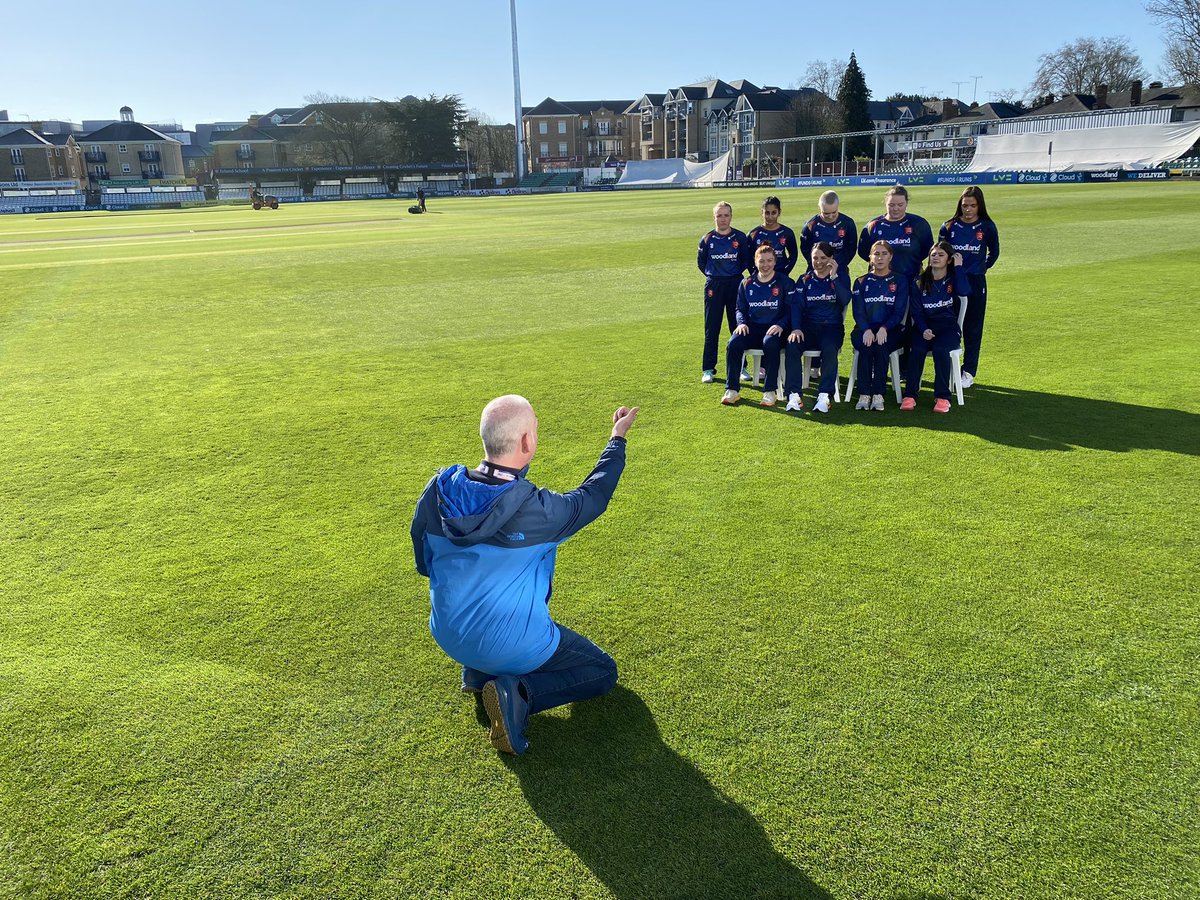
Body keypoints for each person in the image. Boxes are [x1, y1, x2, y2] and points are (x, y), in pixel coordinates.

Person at [411, 395, 639, 755]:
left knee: (483, 600)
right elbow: (593, 496)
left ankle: (477, 673)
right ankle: (519, 695)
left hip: (448, 633)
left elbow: (425, 563)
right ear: (527, 442)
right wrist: (617, 438)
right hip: (509, 644)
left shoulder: (437, 490)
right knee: (602, 672)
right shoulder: (538, 510)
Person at [939, 186, 999, 388]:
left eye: (973, 206)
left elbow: (994, 253)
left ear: (979, 205)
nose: (968, 210)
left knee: (972, 327)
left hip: (975, 282)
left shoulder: (987, 227)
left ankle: (969, 371)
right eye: (965, 205)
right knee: (947, 324)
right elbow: (939, 252)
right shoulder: (948, 226)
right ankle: (947, 368)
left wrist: (983, 267)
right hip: (950, 281)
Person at [902, 242, 969, 413]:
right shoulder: (919, 282)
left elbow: (964, 291)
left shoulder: (953, 278)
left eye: (941, 255)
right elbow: (916, 311)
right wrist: (923, 329)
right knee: (916, 349)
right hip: (924, 327)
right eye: (933, 254)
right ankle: (910, 395)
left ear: (948, 260)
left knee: (940, 350)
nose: (936, 257)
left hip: (948, 327)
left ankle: (942, 397)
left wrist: (959, 267)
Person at [784, 242, 849, 413]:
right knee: (792, 346)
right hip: (808, 328)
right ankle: (794, 395)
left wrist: (834, 277)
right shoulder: (804, 280)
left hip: (832, 328)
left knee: (829, 349)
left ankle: (824, 396)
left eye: (823, 258)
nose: (819, 262)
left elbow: (845, 300)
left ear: (831, 259)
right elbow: (797, 306)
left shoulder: (840, 277)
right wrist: (796, 328)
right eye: (815, 258)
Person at [722, 243, 790, 407]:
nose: (765, 265)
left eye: (769, 261)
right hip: (752, 328)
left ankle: (769, 392)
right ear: (755, 262)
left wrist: (781, 325)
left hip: (774, 328)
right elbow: (740, 308)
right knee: (733, 343)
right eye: (762, 261)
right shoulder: (746, 283)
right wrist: (741, 323)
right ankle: (732, 390)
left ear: (775, 262)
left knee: (770, 343)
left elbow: (791, 309)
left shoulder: (784, 282)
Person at [697, 201, 752, 384]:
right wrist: (716, 275)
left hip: (735, 283)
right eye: (719, 215)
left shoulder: (740, 237)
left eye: (726, 215)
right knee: (711, 328)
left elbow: (746, 260)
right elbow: (702, 263)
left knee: (737, 326)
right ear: (714, 217)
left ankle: (742, 367)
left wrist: (732, 274)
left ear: (731, 216)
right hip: (714, 285)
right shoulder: (707, 239)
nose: (722, 219)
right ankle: (708, 369)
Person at [851, 241, 909, 411]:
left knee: (882, 346)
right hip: (864, 329)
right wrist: (867, 330)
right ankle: (864, 394)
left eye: (884, 254)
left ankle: (878, 395)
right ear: (870, 258)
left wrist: (884, 328)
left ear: (890, 256)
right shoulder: (860, 282)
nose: (880, 257)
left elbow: (899, 312)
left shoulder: (899, 280)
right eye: (876, 254)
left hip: (891, 329)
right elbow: (858, 313)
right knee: (866, 346)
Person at [857, 184, 933, 281]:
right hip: (881, 284)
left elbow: (928, 250)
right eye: (891, 205)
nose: (896, 208)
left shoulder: (919, 223)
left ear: (907, 203)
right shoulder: (873, 226)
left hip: (911, 281)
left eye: (900, 205)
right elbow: (863, 252)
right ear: (885, 203)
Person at [747, 195, 799, 277]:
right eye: (767, 213)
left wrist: (785, 272)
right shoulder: (753, 234)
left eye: (773, 213)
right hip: (761, 277)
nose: (770, 217)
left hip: (780, 277)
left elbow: (793, 255)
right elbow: (748, 257)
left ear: (779, 212)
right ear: (762, 212)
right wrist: (755, 273)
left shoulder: (787, 233)